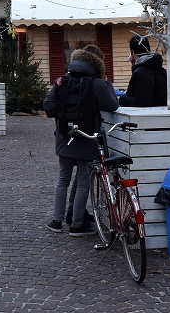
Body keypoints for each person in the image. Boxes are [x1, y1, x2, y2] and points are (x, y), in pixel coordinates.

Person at [43, 48, 119, 237]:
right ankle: (77, 226)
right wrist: (107, 83)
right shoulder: (97, 83)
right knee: (84, 182)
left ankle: (56, 221)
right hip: (87, 136)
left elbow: (48, 106)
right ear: (96, 65)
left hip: (65, 136)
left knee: (63, 179)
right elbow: (112, 105)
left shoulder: (62, 80)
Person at [119, 36, 168, 108]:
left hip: (148, 114)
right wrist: (134, 66)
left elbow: (142, 102)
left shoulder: (140, 74)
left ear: (132, 52)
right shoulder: (159, 68)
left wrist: (122, 99)